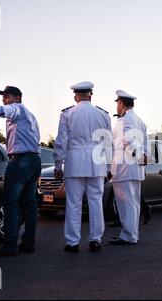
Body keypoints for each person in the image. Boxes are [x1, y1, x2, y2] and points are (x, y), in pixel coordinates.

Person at [0, 86, 42, 257]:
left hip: (20, 161)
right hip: (34, 160)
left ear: (18, 98)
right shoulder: (30, 116)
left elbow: (8, 109)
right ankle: (28, 243)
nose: (4, 99)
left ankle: (10, 245)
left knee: (10, 203)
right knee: (29, 203)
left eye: (7, 96)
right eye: (3, 97)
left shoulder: (17, 109)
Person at [53, 81, 112, 253]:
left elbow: (61, 141)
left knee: (73, 203)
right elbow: (108, 144)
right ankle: (95, 240)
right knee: (95, 202)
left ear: (75, 96)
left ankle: (72, 242)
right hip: (97, 162)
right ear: (91, 95)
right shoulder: (103, 115)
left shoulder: (67, 114)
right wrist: (108, 167)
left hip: (75, 162)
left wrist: (58, 165)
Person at [109, 90, 147, 245]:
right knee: (134, 203)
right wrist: (143, 158)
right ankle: (132, 234)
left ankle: (128, 235)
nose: (117, 106)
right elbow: (145, 143)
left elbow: (126, 141)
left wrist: (138, 156)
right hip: (136, 168)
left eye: (117, 102)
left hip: (124, 168)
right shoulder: (140, 120)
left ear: (121, 103)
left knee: (126, 204)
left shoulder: (124, 120)